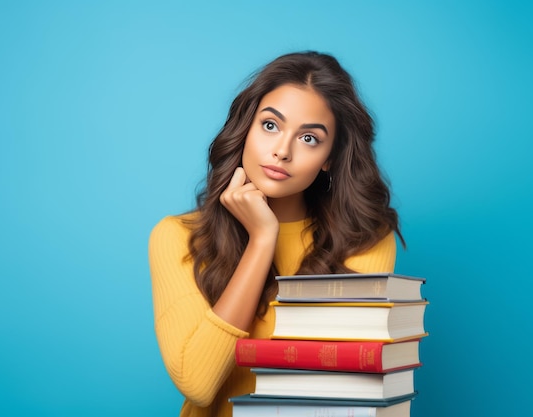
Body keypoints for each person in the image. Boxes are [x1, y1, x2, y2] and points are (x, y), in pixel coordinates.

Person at [148, 51, 405, 417]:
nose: (282, 151)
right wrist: (262, 241)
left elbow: (334, 388)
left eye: (310, 139)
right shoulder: (176, 236)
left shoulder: (363, 239)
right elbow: (198, 383)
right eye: (270, 126)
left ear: (330, 157)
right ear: (246, 128)